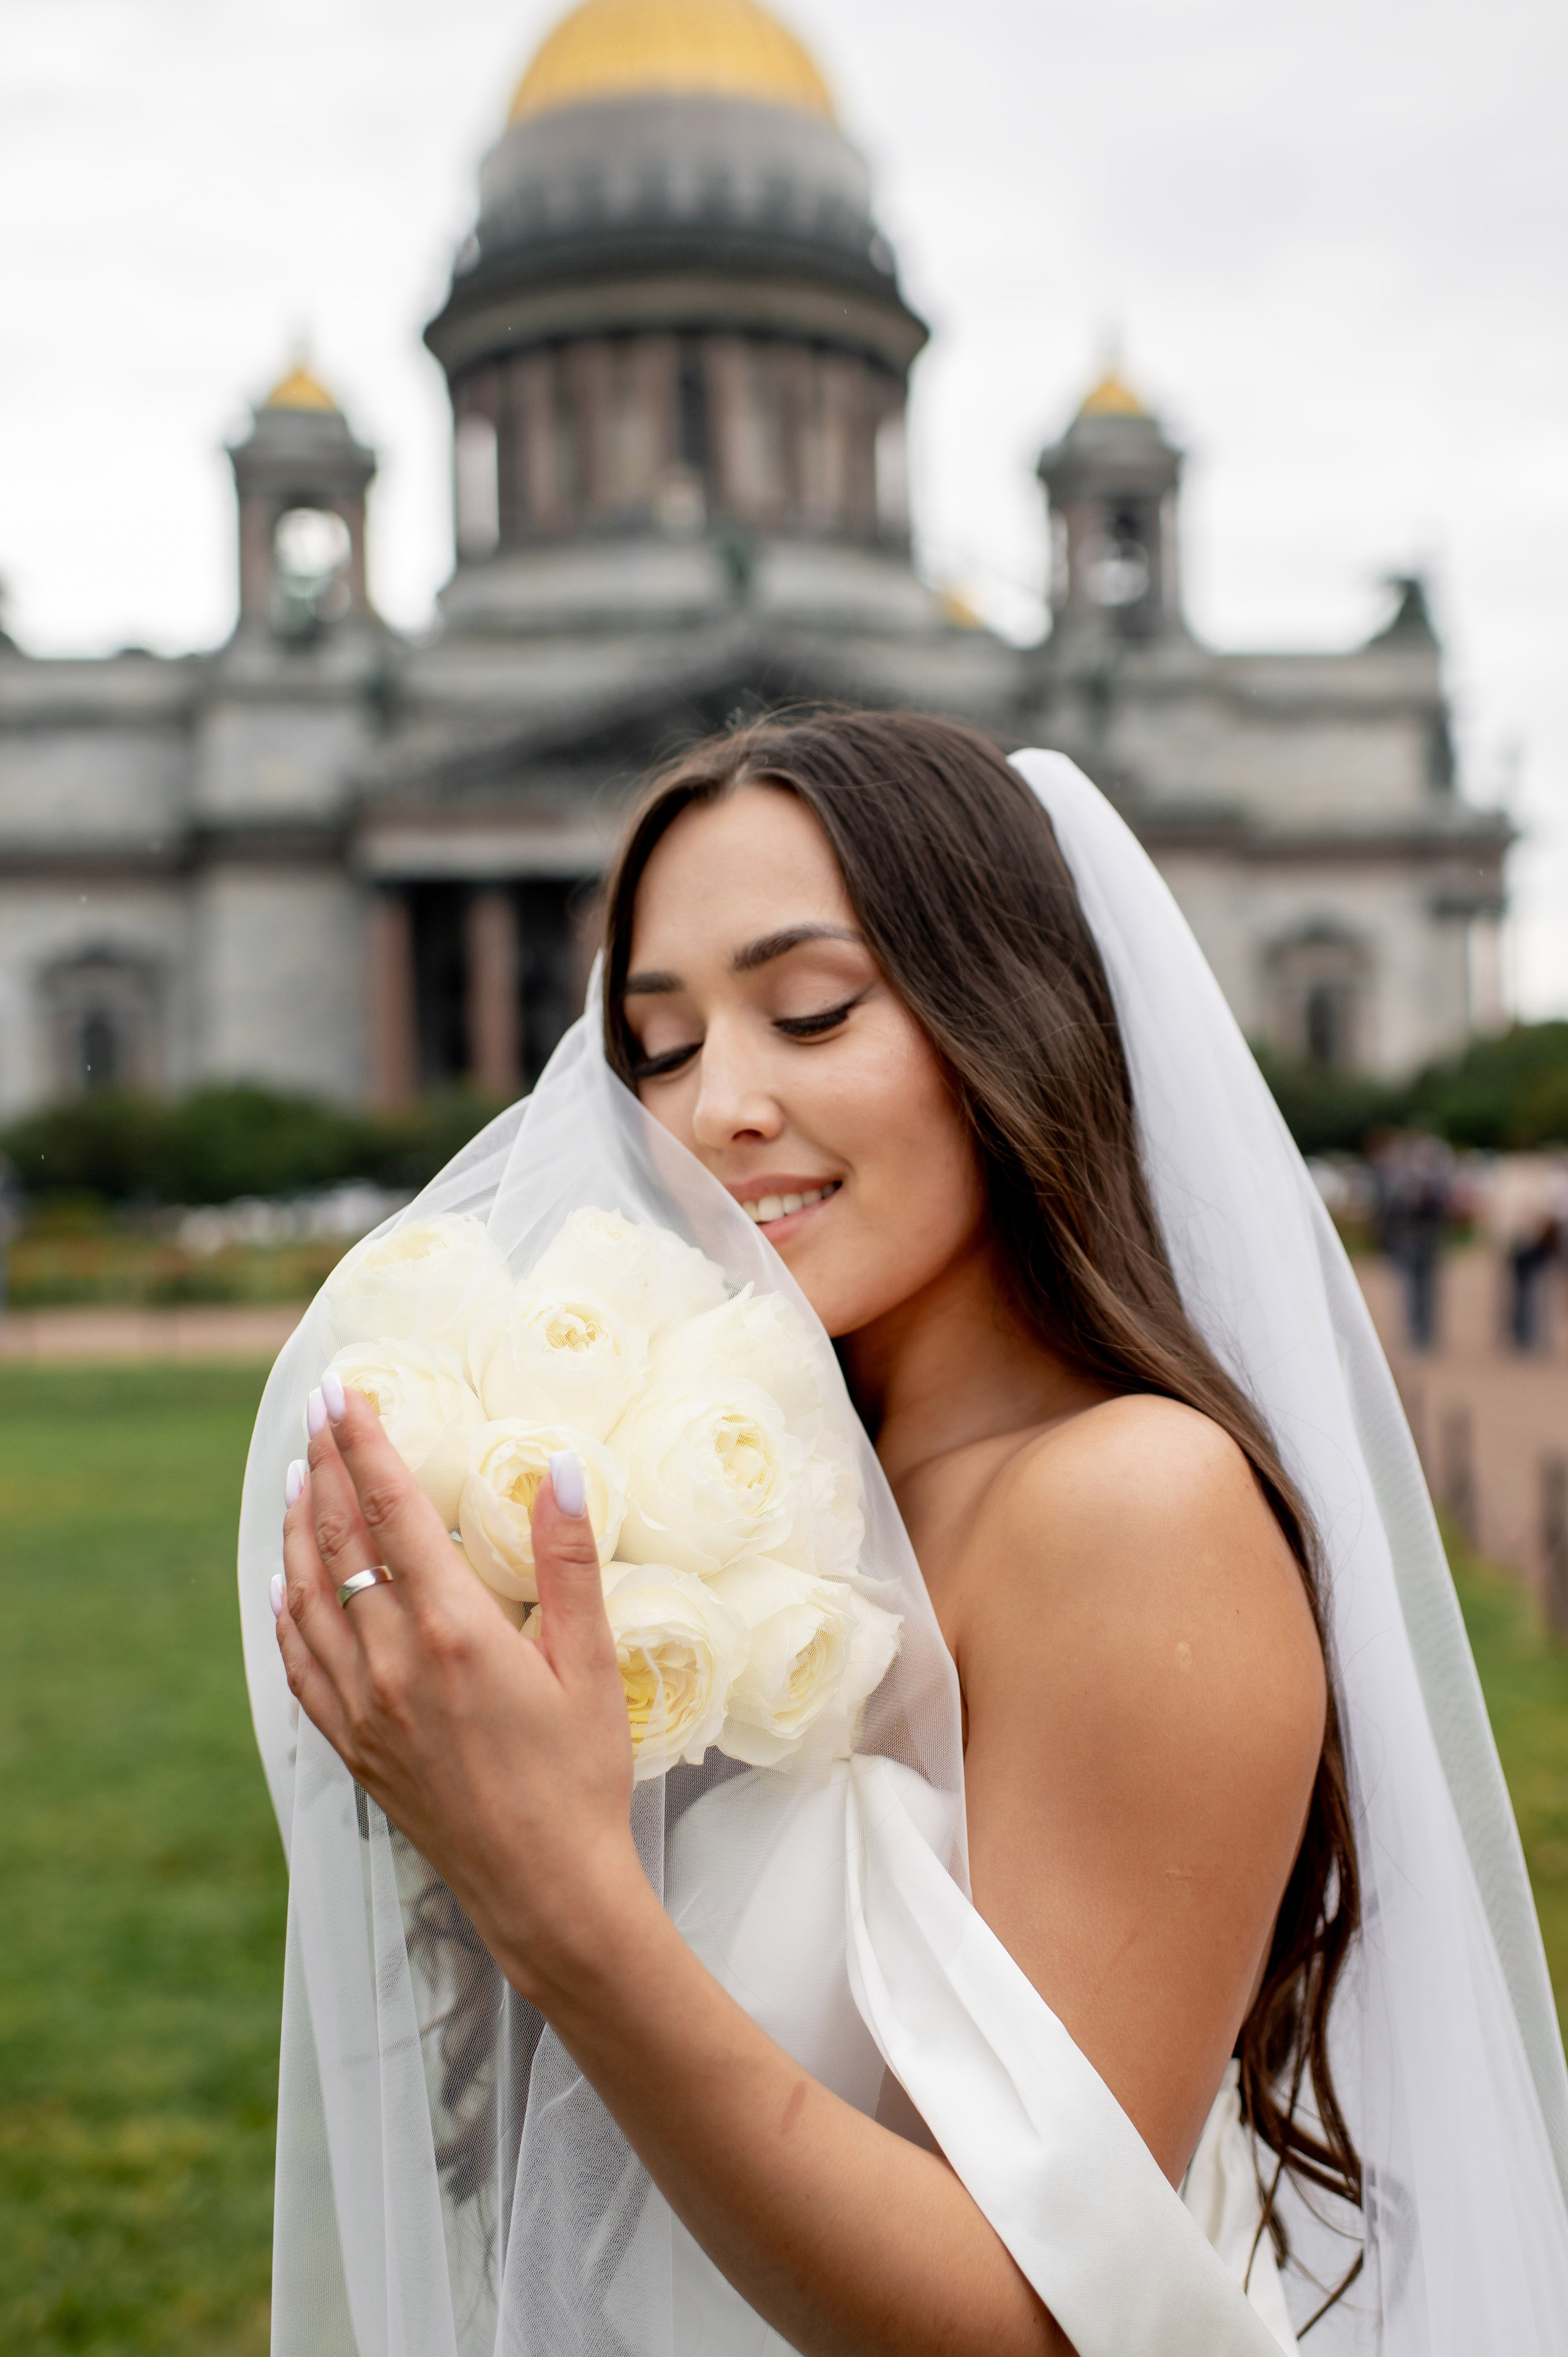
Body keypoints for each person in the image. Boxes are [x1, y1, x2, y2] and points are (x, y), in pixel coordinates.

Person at [244, 716, 1568, 2355]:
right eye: (655, 1046)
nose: (718, 1105)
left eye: (811, 1011)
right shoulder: (725, 1497)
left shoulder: (1131, 1504)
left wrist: (555, 1892)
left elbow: (1036, 2321)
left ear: (1010, 1019)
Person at [1370, 1132, 1453, 1352]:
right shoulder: (1398, 1181)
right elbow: (1389, 1213)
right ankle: (1415, 1332)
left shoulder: (1437, 1183)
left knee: (1428, 1289)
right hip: (1406, 1242)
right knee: (1410, 1289)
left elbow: (1445, 1211)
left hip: (1429, 1242)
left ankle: (1427, 1333)